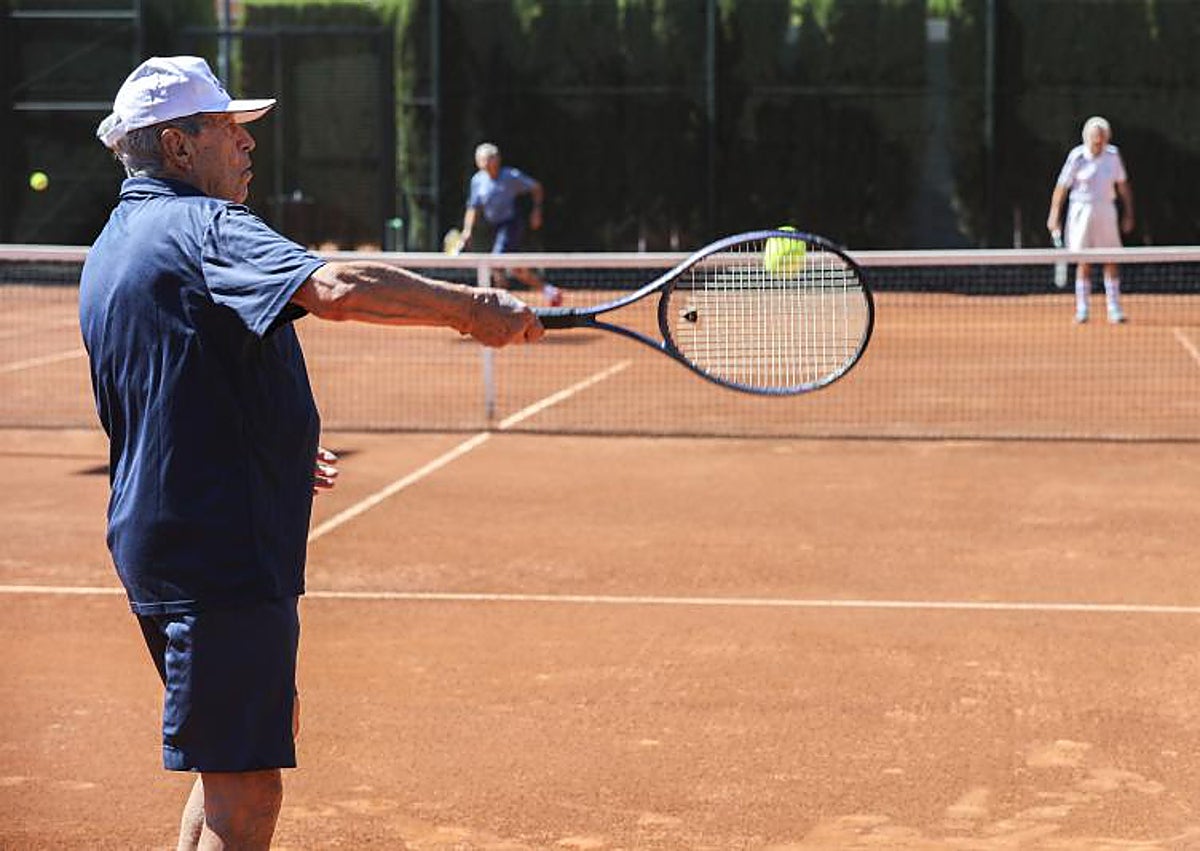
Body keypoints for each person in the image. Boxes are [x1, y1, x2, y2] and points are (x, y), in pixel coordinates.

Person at [79, 56, 542, 850]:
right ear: (179, 147)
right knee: (248, 792)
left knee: (232, 768)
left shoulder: (117, 242)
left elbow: (174, 380)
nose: (247, 144)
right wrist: (471, 307)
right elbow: (335, 287)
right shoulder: (203, 226)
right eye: (228, 128)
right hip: (218, 553)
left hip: (176, 540)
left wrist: (277, 441)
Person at [1046, 115, 1135, 324]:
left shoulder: (1113, 156)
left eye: (1102, 137)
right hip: (1080, 211)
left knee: (1111, 259)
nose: (1098, 141)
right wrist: (1054, 215)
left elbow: (1123, 186)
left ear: (1107, 138)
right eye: (1095, 137)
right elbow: (1062, 188)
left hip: (1106, 210)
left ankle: (1114, 308)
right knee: (1083, 261)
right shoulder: (1076, 157)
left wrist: (1129, 213)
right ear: (1087, 137)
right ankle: (1082, 309)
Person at [457, 141, 563, 306]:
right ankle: (548, 290)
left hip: (511, 224)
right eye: (483, 159)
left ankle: (502, 303)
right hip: (494, 227)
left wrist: (537, 211)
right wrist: (467, 230)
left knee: (497, 260)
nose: (487, 162)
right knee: (512, 267)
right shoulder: (477, 181)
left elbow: (536, 187)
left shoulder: (510, 176)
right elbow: (473, 208)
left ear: (497, 160)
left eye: (490, 158)